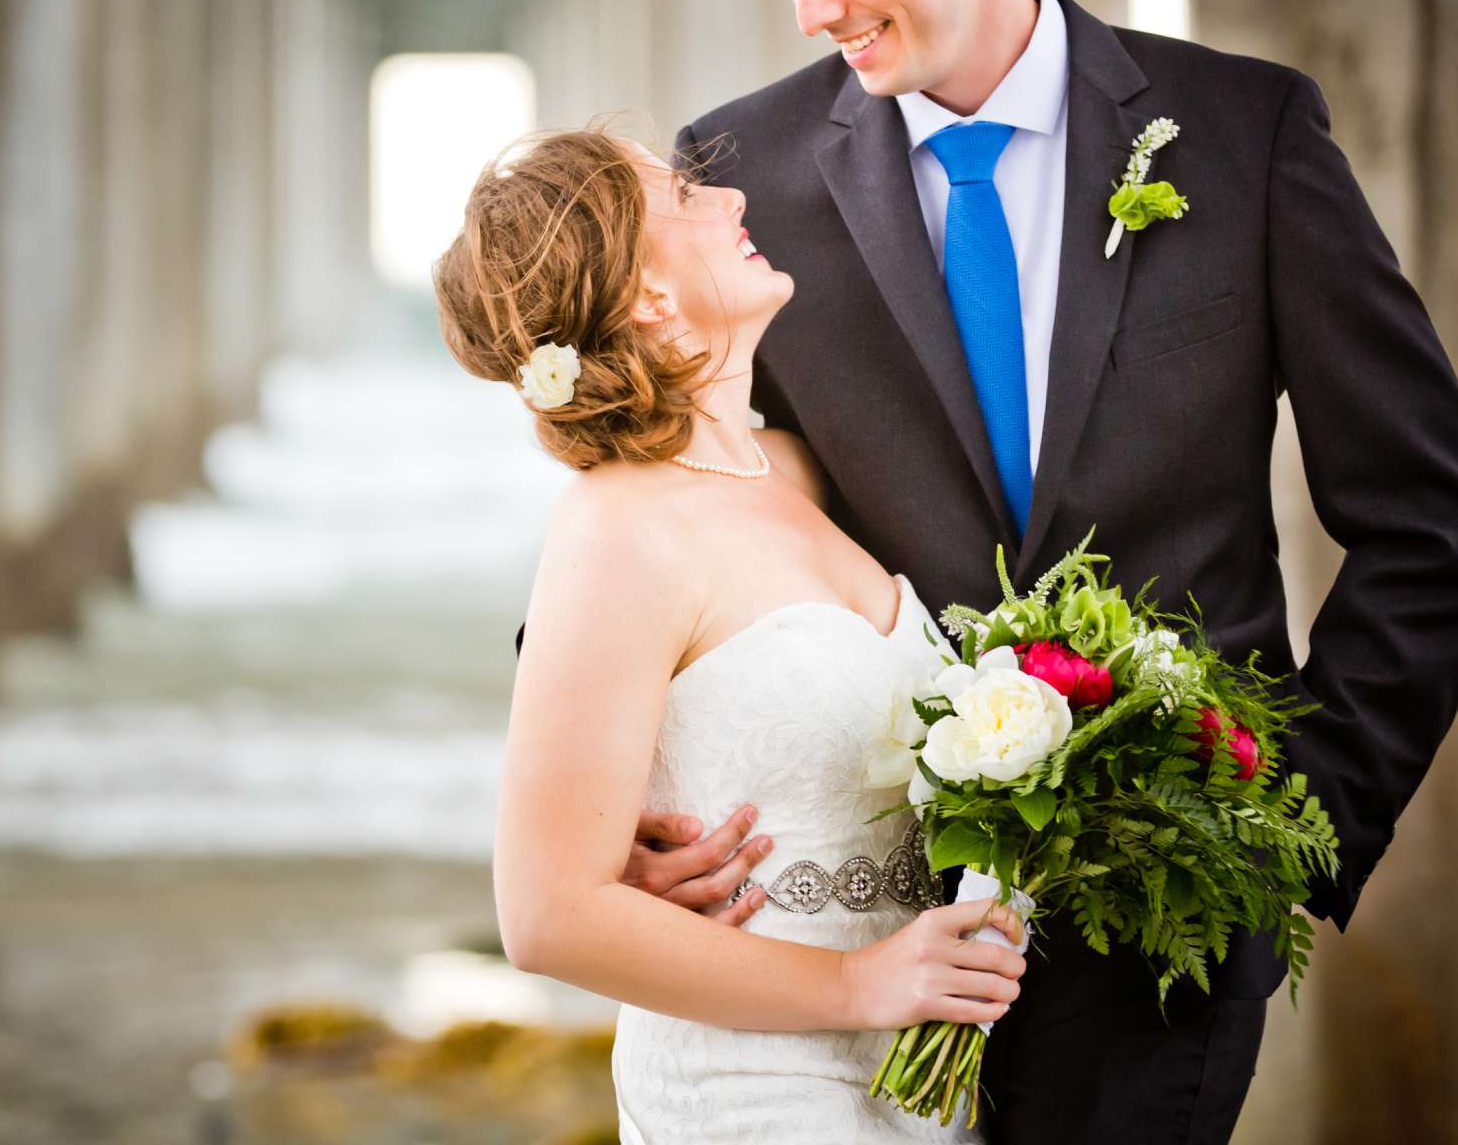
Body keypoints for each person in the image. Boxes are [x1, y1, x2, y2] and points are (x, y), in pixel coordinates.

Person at [615, 0, 1458, 1142]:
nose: (811, 13)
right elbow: (656, 501)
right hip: (849, 914)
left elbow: (1434, 524)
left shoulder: (1244, 135)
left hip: (1160, 924)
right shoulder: (740, 173)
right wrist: (626, 796)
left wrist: (1297, 831)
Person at [435, 126, 1029, 1142]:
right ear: (645, 297)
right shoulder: (618, 524)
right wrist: (856, 981)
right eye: (687, 201)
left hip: (922, 1081)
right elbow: (544, 914)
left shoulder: (796, 471)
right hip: (758, 1090)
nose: (731, 202)